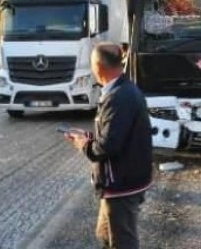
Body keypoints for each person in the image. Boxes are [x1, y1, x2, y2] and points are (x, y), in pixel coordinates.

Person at [64, 43, 153, 249]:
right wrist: (88, 136)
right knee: (104, 234)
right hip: (122, 182)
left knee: (122, 241)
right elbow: (116, 135)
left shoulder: (119, 97)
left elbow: (107, 147)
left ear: (97, 66)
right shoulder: (121, 90)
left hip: (121, 185)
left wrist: (83, 144)